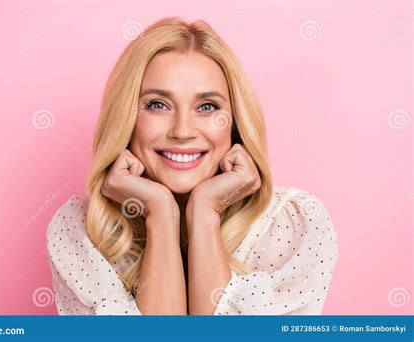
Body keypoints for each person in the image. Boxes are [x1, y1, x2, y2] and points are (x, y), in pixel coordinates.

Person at [46, 17, 338, 315]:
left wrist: (205, 210)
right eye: (157, 105)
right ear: (126, 119)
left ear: (235, 124)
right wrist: (159, 212)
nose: (183, 131)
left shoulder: (294, 222)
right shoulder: (82, 231)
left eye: (207, 106)